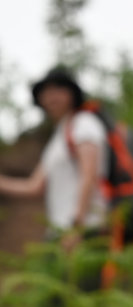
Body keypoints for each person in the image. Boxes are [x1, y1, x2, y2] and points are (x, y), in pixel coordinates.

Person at [0, 66, 110, 261]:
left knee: (80, 290)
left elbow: (89, 175)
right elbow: (34, 186)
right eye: (46, 92)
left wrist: (77, 227)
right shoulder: (59, 136)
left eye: (59, 89)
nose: (51, 97)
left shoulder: (84, 123)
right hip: (59, 233)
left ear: (72, 93)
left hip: (84, 232)